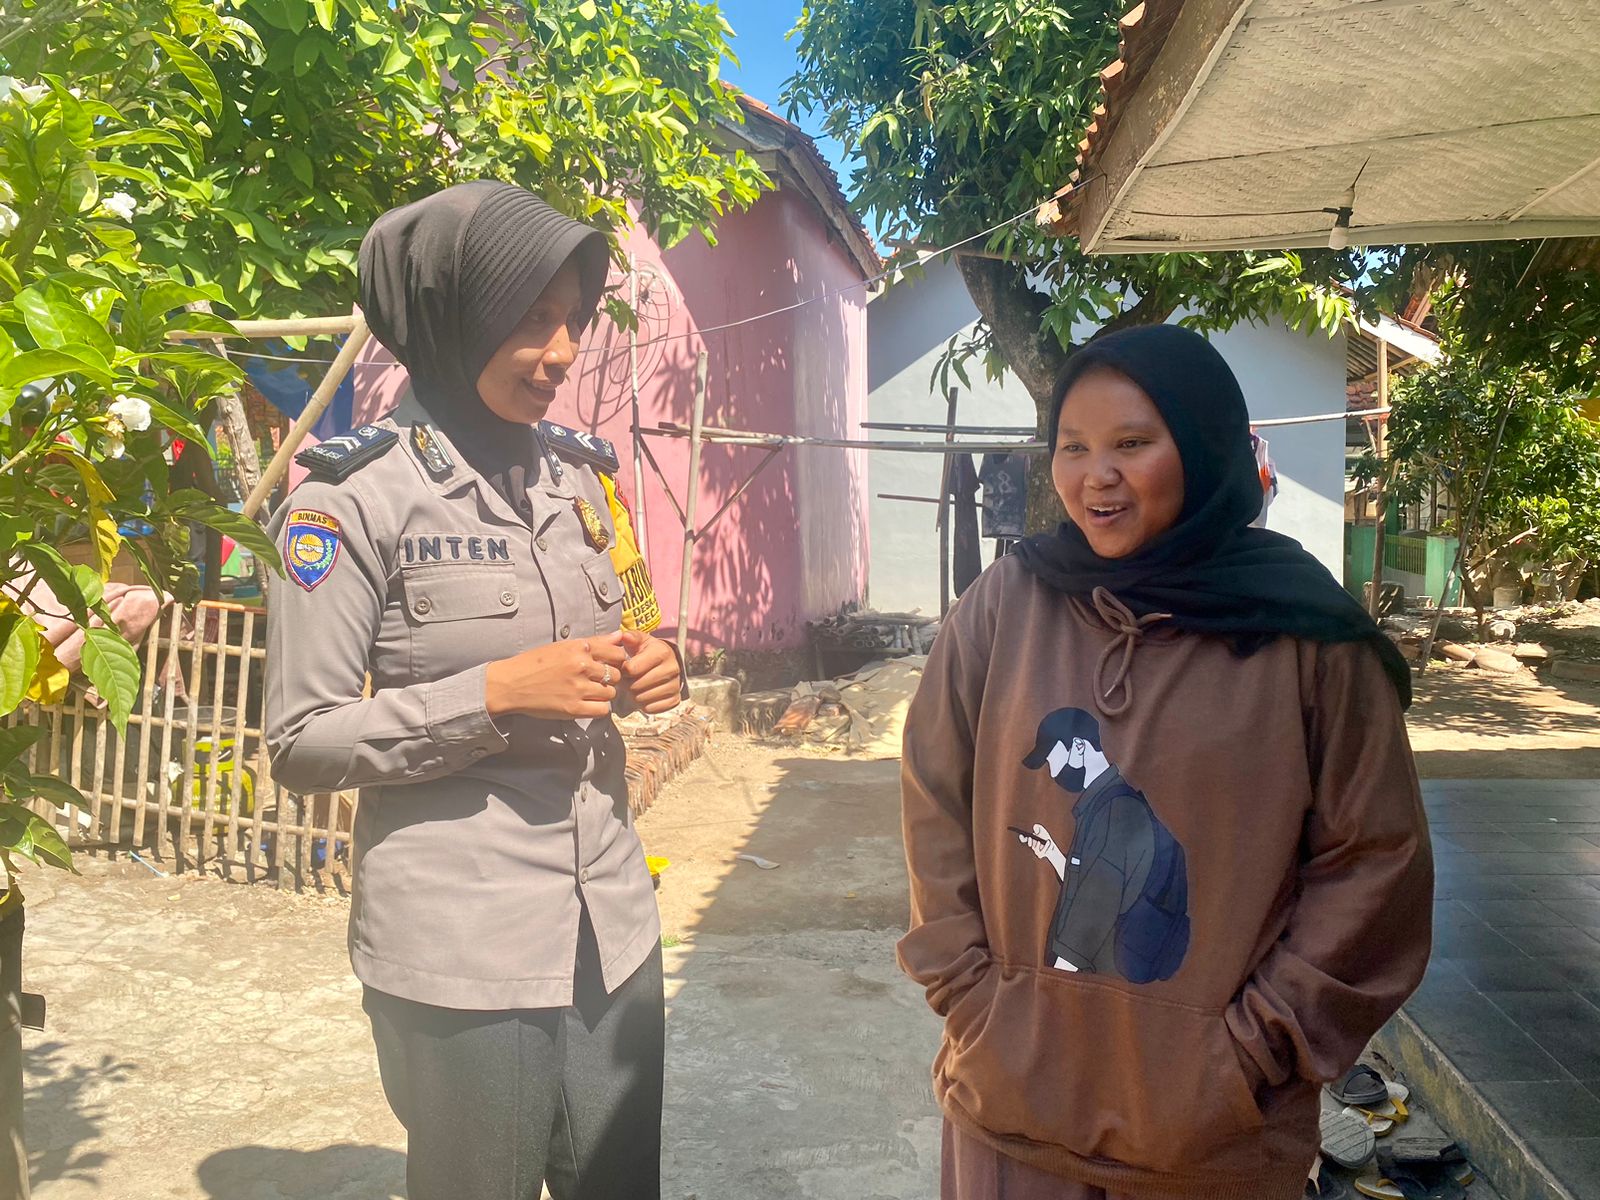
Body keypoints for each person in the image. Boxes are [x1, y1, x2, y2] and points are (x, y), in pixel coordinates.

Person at [898, 324, 1432, 1200]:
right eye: (1073, 446)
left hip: (1208, 1143)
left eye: (1132, 443)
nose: (1095, 476)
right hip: (1010, 1116)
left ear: (1203, 445)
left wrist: (1253, 1050)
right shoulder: (1009, 603)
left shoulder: (1306, 636)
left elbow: (1376, 861)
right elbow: (934, 798)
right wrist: (971, 995)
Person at [265, 181, 685, 1200]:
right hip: (464, 946)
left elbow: (635, 616)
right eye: (531, 318)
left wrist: (654, 665)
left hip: (610, 924)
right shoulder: (345, 503)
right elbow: (302, 742)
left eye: (572, 319)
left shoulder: (583, 479)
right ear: (451, 318)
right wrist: (493, 694)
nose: (562, 351)